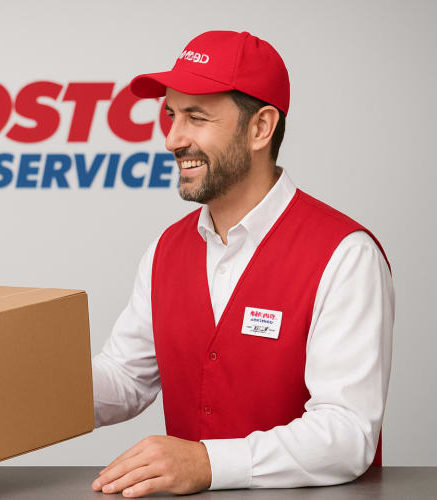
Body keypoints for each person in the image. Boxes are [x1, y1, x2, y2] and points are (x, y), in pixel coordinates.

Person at [90, 30, 394, 497]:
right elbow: (126, 378)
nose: (172, 139)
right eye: (170, 115)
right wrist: (20, 385)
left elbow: (348, 433)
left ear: (261, 128)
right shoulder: (165, 251)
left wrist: (208, 462)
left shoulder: (345, 254)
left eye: (196, 117)